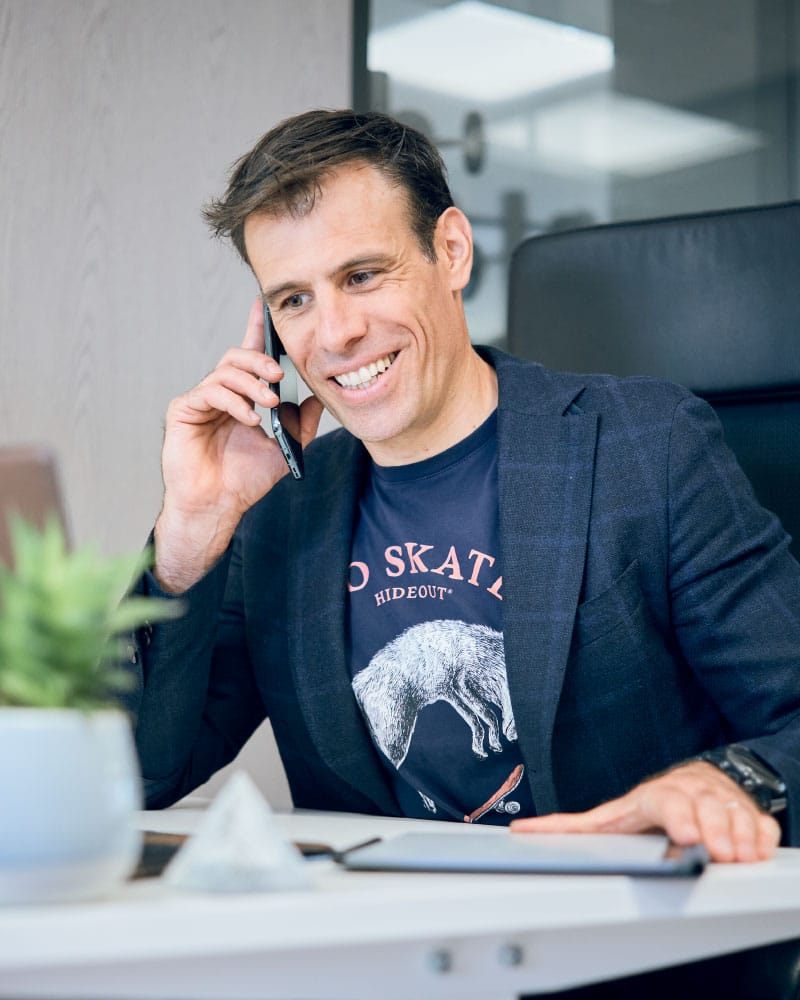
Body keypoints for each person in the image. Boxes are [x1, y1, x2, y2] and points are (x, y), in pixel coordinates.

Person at [127, 108, 800, 864]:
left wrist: (729, 783)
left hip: (613, 917)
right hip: (388, 932)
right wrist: (190, 530)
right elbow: (131, 778)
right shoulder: (279, 511)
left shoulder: (647, 447)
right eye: (295, 300)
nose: (335, 334)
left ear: (450, 251)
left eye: (361, 276)